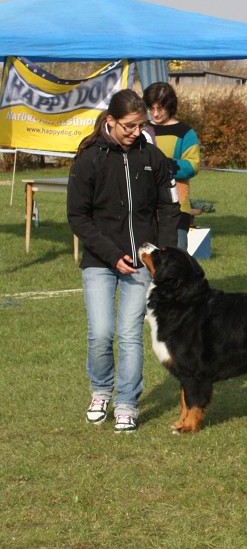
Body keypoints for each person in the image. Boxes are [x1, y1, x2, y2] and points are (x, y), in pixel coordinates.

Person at [67, 89, 180, 433]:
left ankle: (127, 402)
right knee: (101, 332)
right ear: (111, 121)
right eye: (129, 126)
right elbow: (77, 216)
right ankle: (101, 391)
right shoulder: (89, 159)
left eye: (141, 125)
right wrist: (112, 255)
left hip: (142, 263)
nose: (136, 132)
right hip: (101, 261)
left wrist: (162, 256)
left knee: (130, 334)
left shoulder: (152, 156)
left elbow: (168, 207)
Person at [143, 82, 201, 250]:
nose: (155, 113)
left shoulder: (185, 132)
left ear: (170, 106)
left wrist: (163, 165)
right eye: (151, 109)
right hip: (145, 203)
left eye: (160, 108)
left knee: (175, 258)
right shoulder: (142, 129)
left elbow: (192, 165)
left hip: (176, 204)